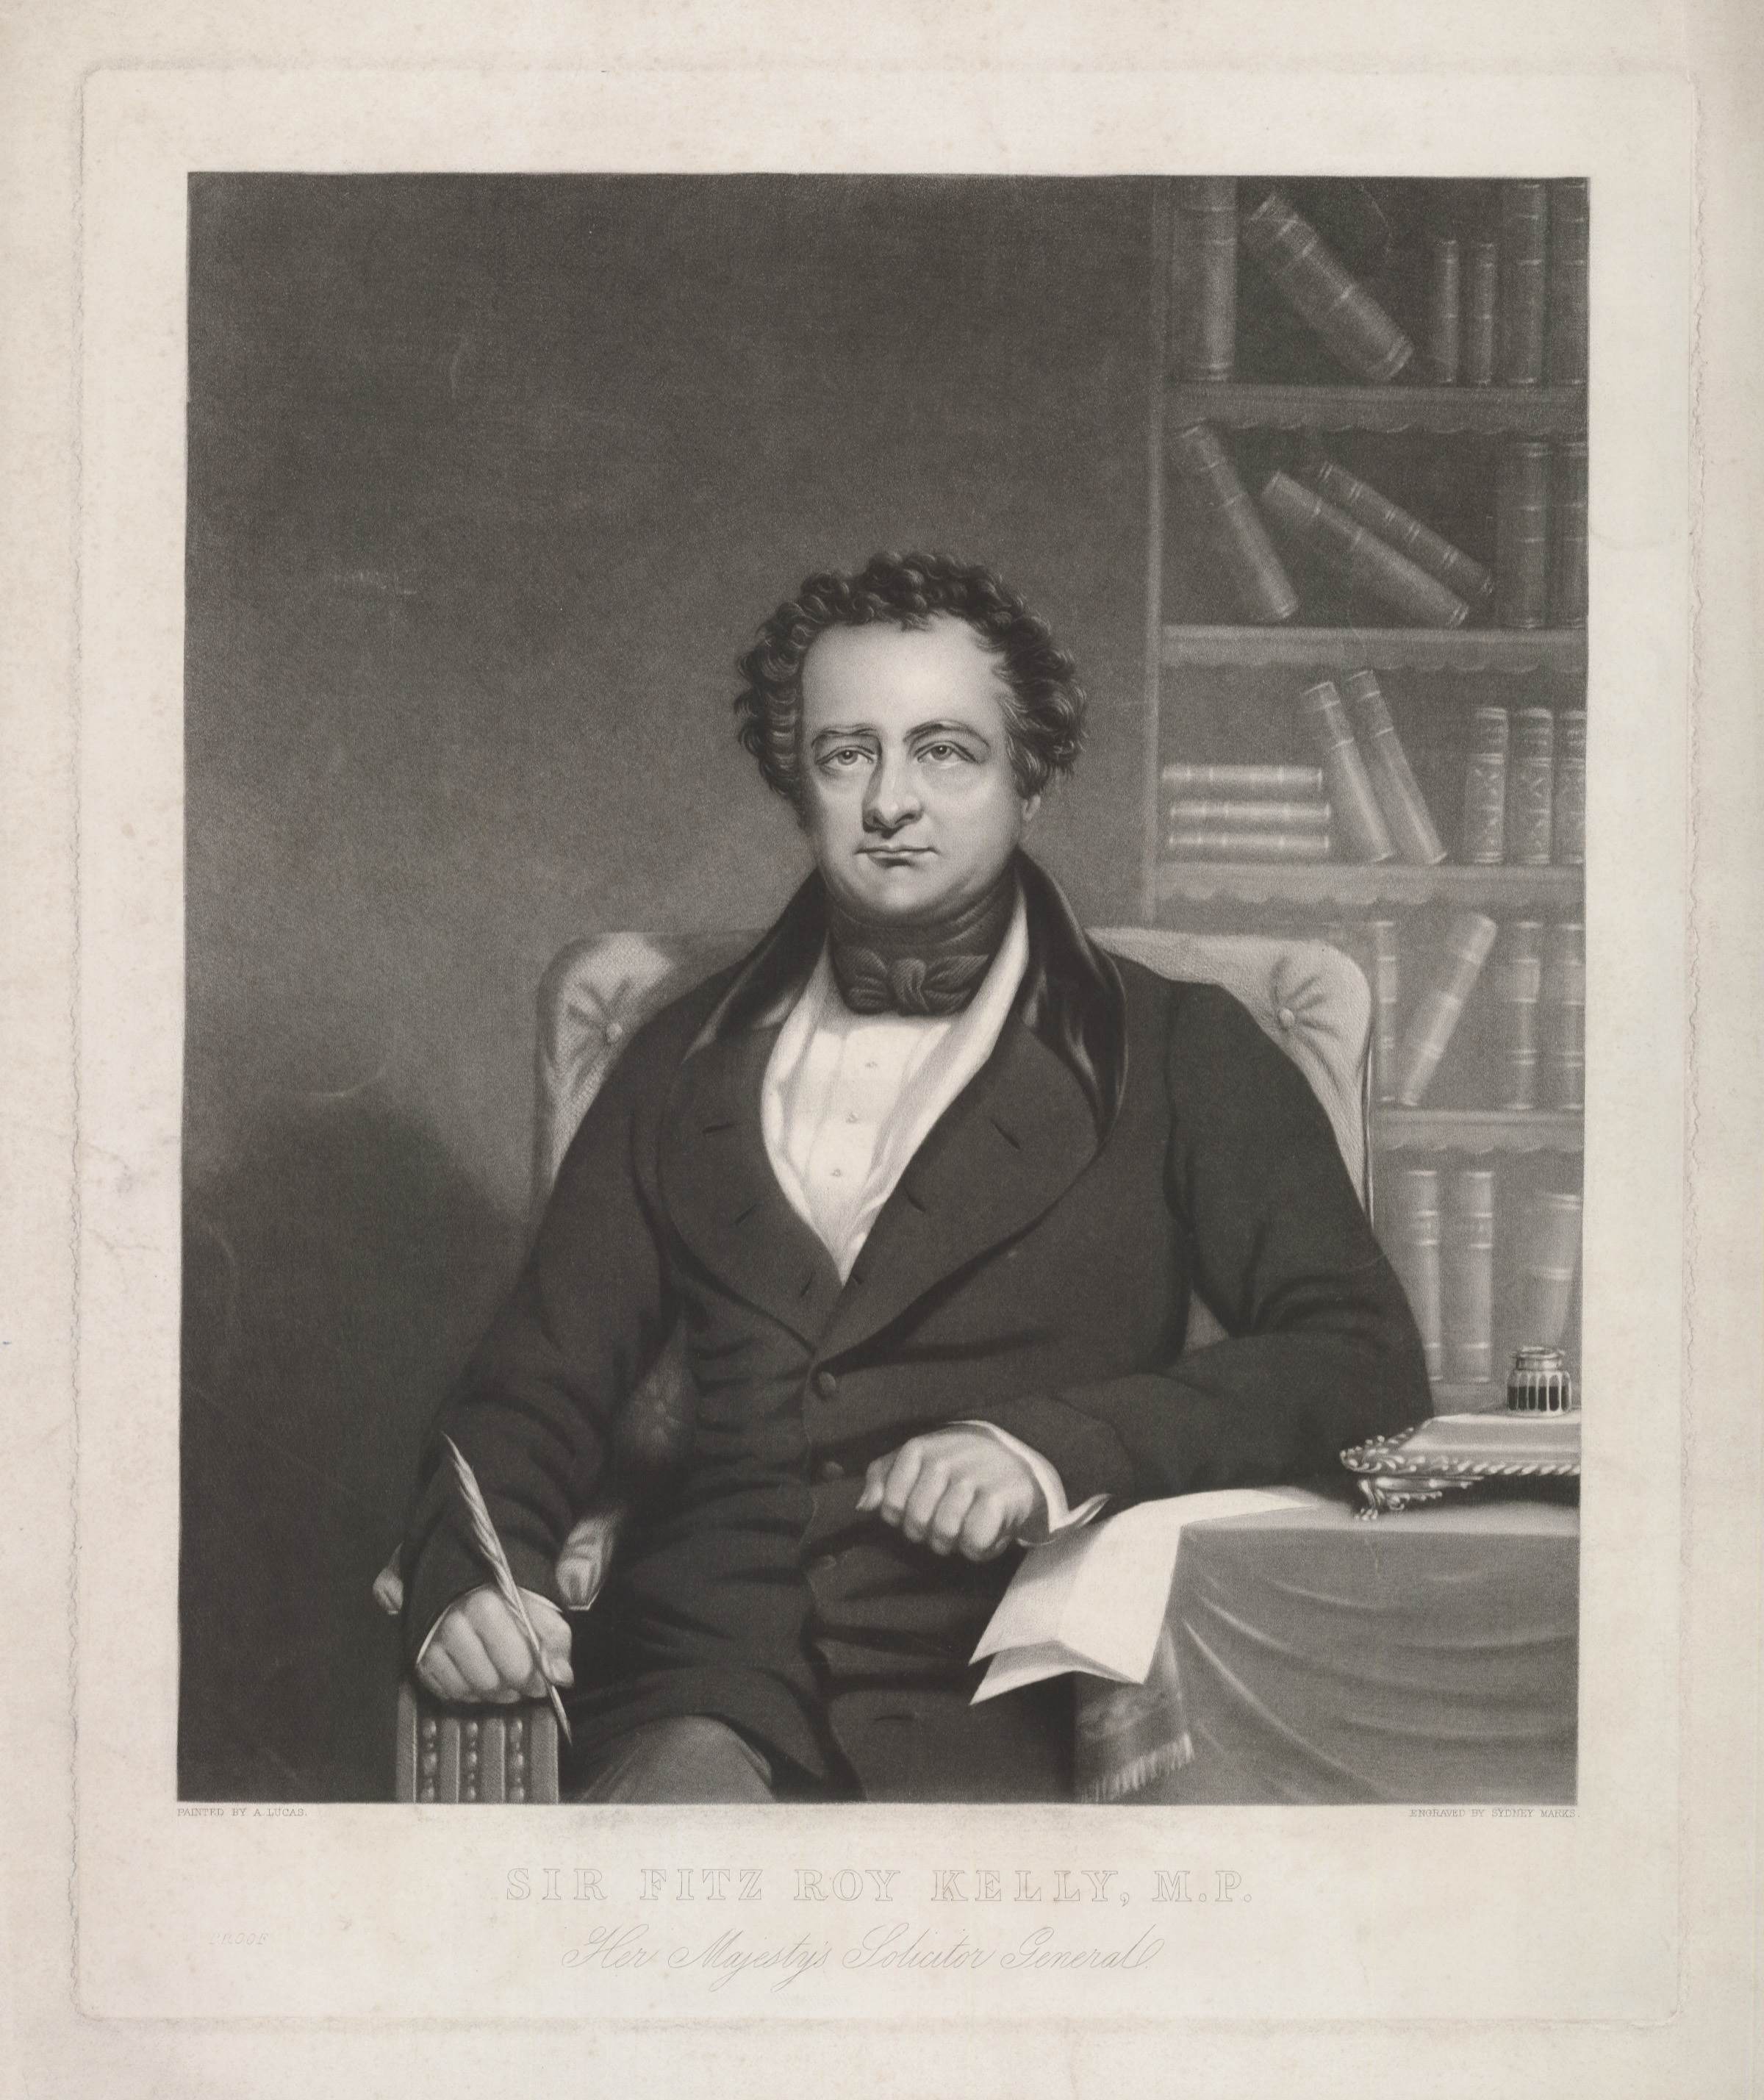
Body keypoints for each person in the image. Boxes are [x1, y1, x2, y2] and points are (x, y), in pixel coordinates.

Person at [399, 551, 1430, 1802]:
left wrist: (1049, 1447)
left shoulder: (1181, 1052)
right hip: (704, 1693)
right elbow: (525, 1397)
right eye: (848, 754)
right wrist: (472, 1584)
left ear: (1029, 777)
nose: (893, 799)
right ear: (800, 783)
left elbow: (1361, 1359)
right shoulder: (681, 1062)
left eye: (945, 750)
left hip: (1029, 1706)